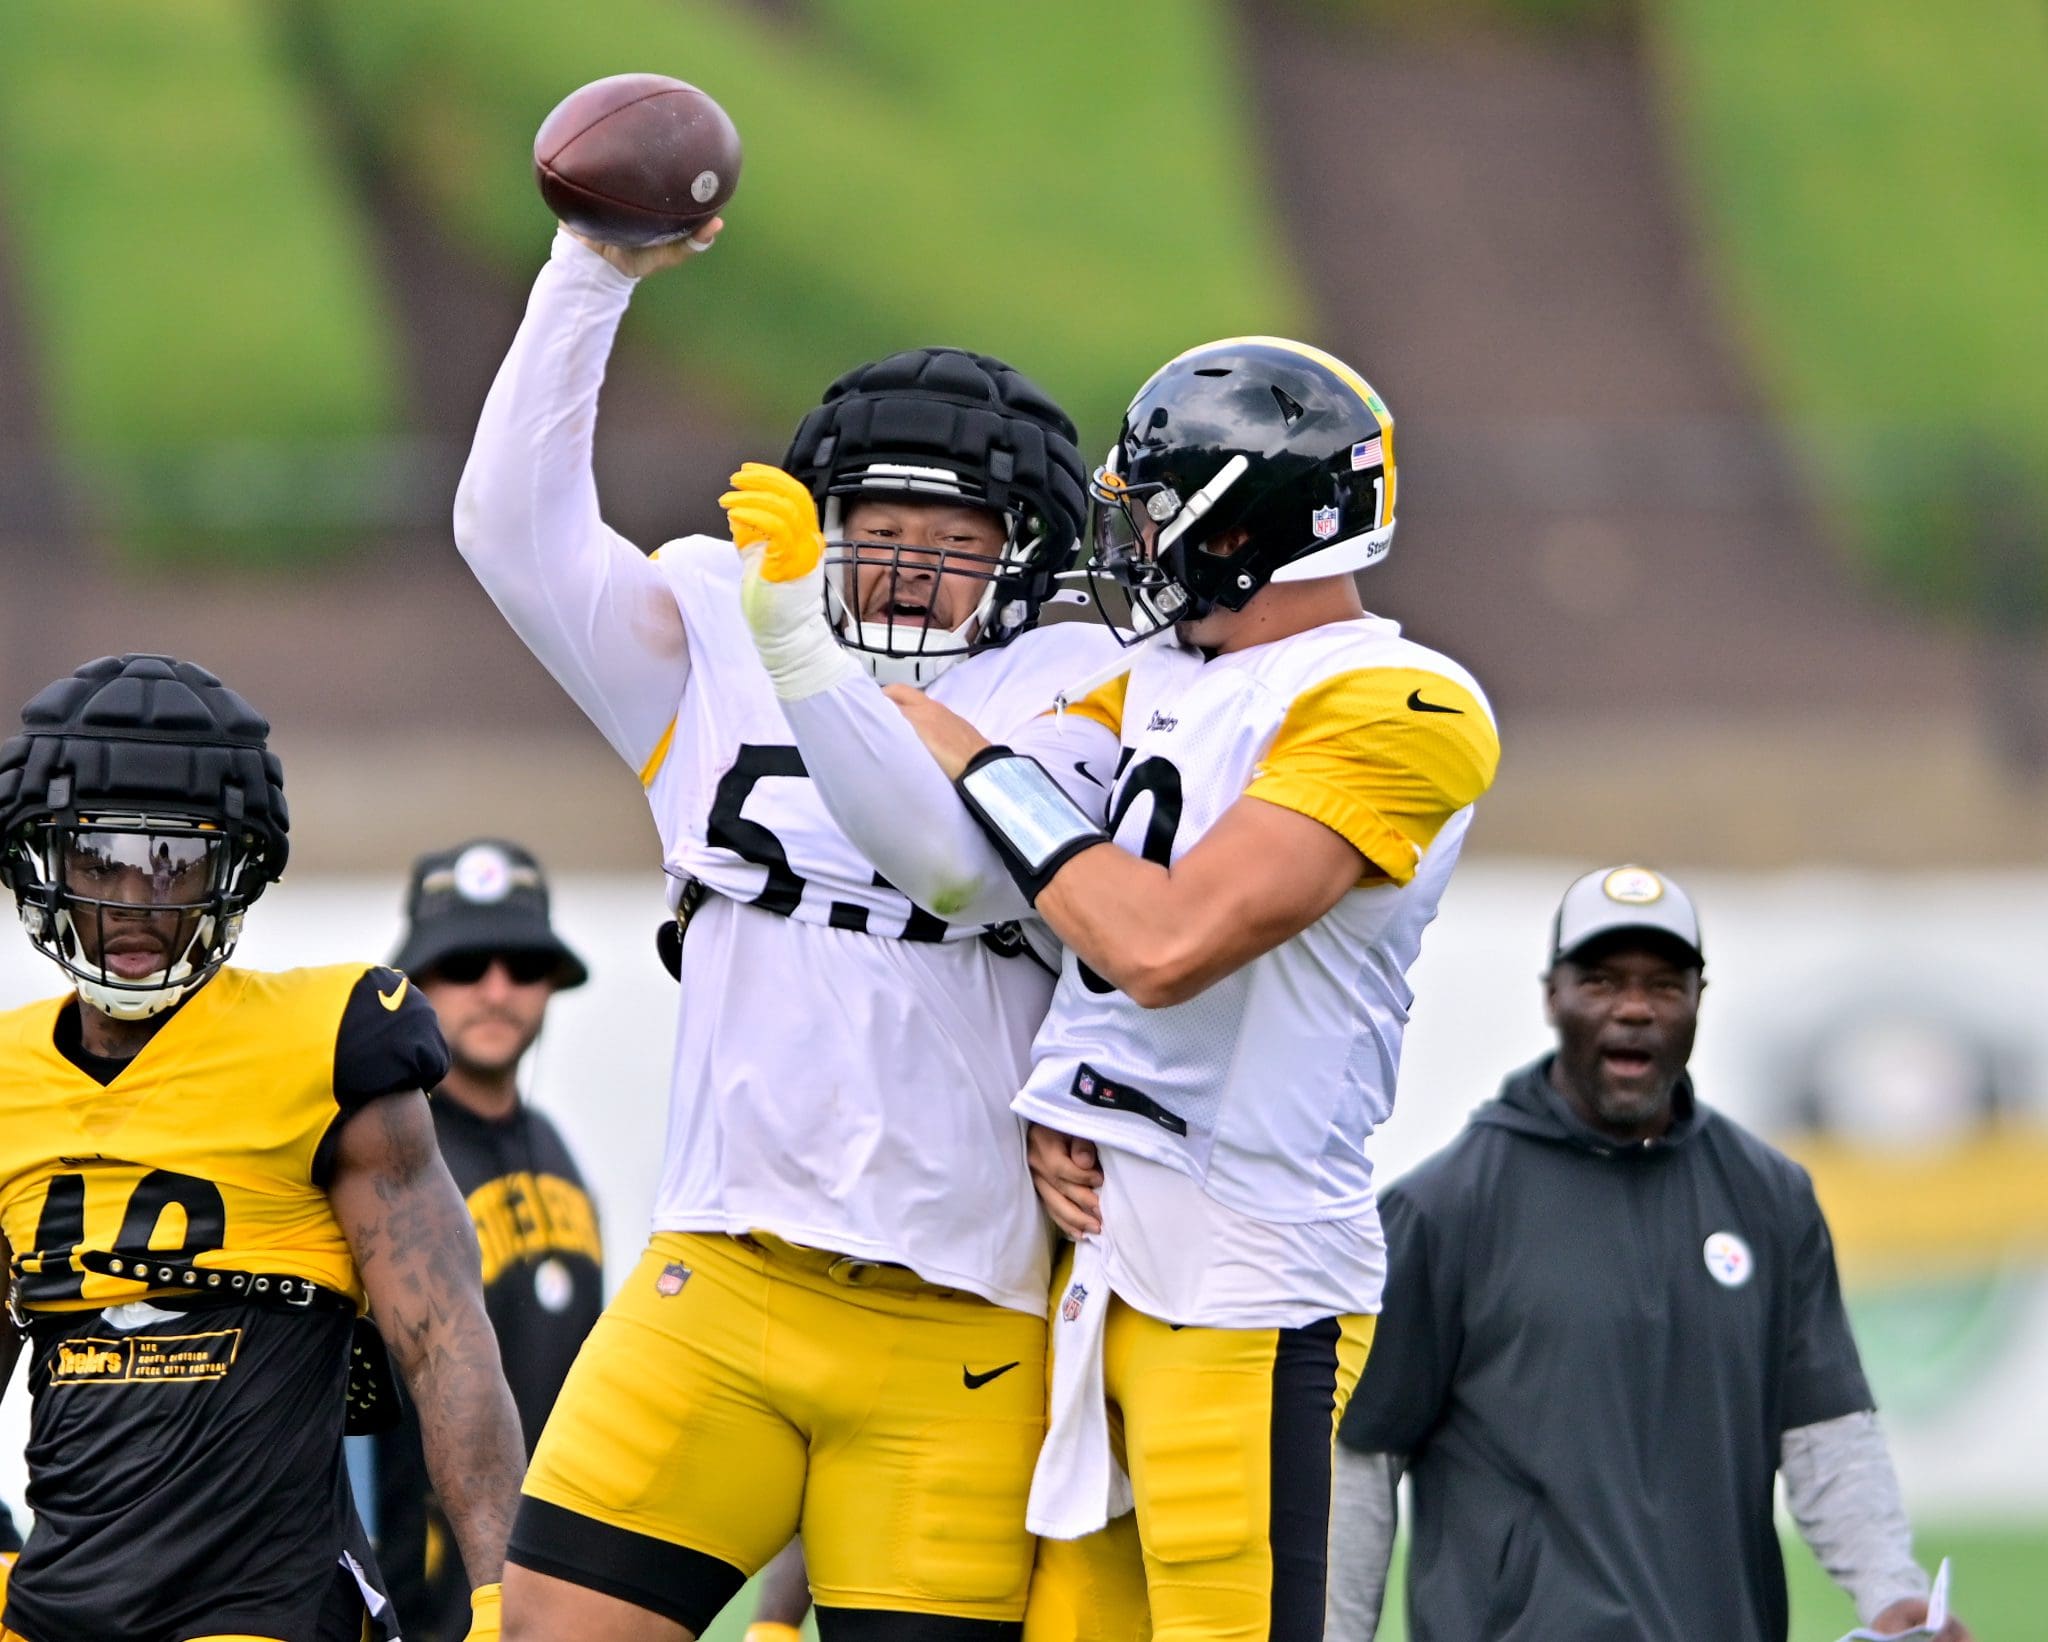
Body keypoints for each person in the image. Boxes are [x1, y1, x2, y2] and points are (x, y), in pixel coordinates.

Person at [453, 201, 1127, 1639]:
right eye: (876, 529)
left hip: (957, 1325)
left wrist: (799, 646)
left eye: (954, 537)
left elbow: (951, 864)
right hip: (720, 1276)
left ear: (1028, 555)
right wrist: (592, 271)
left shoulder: (1078, 683)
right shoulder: (730, 617)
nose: (904, 566)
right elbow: (508, 532)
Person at [758, 338, 1500, 1640]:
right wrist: (1066, 1090)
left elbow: (1162, 943)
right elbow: (974, 867)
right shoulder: (1157, 676)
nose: (1135, 545)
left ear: (1242, 522)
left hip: (1249, 1281)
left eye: (1153, 512)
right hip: (1104, 1264)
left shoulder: (1403, 701)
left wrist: (979, 759)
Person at [0, 653, 524, 1642]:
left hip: (263, 1605)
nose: (132, 901)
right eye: (97, 857)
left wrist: (503, 1595)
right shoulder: (7, 1075)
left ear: (233, 868)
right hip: (60, 1600)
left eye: (172, 861)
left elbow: (445, 1336)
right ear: (41, 865)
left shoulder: (329, 1040)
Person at [1326, 865, 1972, 1642]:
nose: (1633, 1008)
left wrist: (1889, 1590)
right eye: (1600, 981)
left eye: (1664, 984)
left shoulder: (1771, 1200)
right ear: (1551, 996)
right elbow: (1359, 1467)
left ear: (1699, 999)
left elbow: (1827, 1431)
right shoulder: (1443, 1211)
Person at [372, 839, 603, 1642]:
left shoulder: (557, 1147)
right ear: (418, 982)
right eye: (466, 965)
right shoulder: (386, 1161)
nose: (497, 992)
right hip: (421, 1602)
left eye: (524, 966)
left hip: (548, 1595)